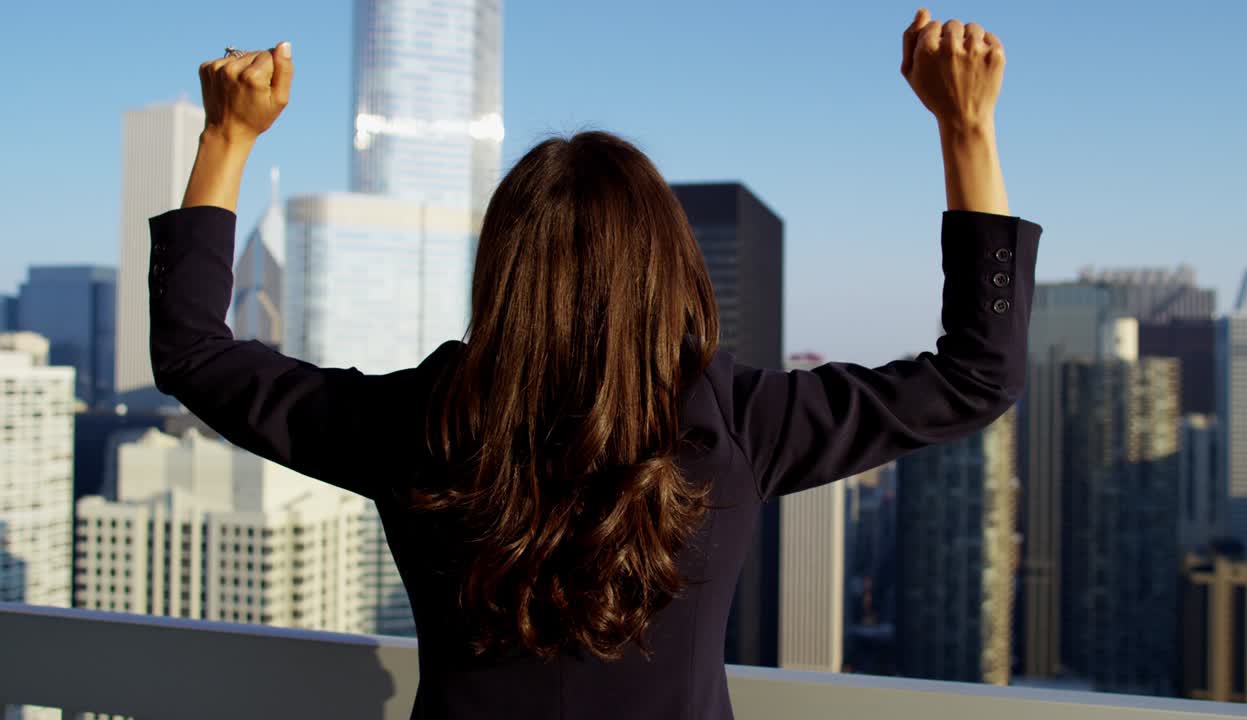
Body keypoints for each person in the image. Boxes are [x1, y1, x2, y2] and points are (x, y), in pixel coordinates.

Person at [149, 7, 1041, 719]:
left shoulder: (423, 421)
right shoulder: (731, 421)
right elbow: (975, 375)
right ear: (670, 270)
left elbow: (194, 351)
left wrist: (227, 138)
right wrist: (966, 129)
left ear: (501, 271)